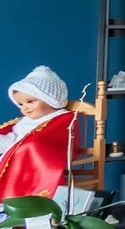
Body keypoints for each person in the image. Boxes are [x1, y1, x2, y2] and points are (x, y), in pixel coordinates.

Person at [0, 67, 77, 199]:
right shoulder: (24, 122)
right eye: (21, 104)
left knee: (32, 146)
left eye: (30, 102)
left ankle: (28, 201)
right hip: (15, 160)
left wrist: (25, 145)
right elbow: (12, 139)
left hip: (36, 164)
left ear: (49, 99)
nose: (25, 108)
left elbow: (52, 142)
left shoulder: (61, 119)